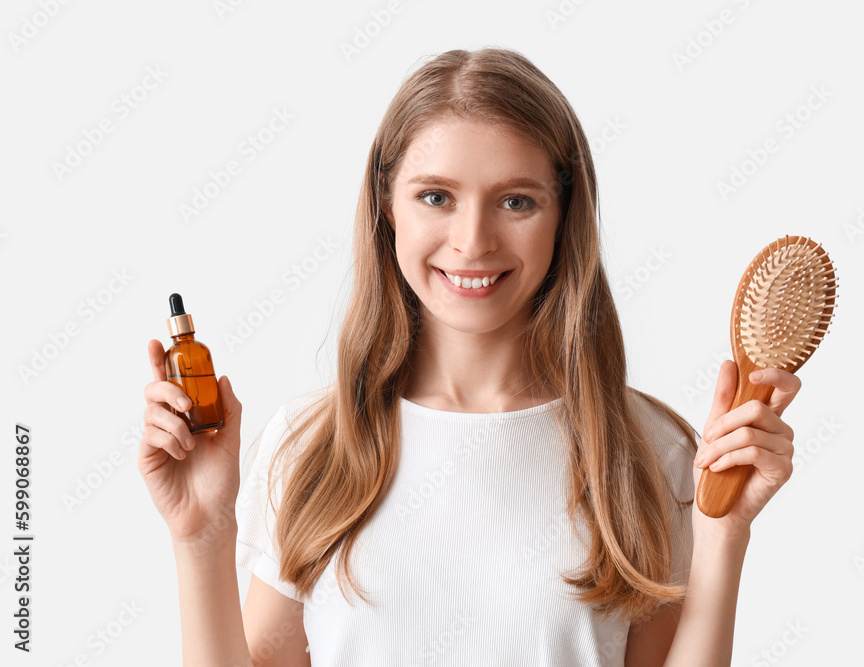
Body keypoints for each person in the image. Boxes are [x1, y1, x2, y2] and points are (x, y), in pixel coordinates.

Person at [138, 47, 801, 666]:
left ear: (564, 215)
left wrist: (724, 535)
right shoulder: (312, 445)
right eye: (436, 197)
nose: (472, 240)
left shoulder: (645, 451)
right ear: (387, 207)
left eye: (516, 201)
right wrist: (200, 535)